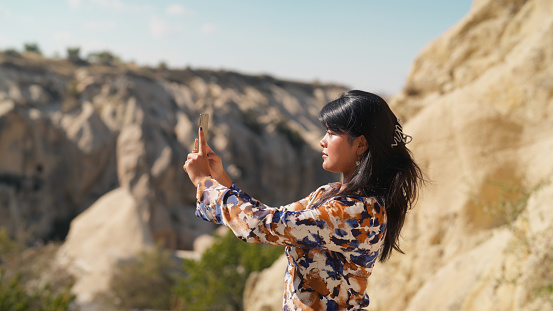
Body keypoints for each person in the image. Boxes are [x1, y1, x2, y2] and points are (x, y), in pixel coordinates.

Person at [183, 90, 424, 310]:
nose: (323, 140)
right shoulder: (332, 194)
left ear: (361, 144)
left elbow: (259, 226)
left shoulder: (356, 211)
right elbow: (272, 217)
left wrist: (203, 181)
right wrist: (219, 177)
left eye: (332, 133)